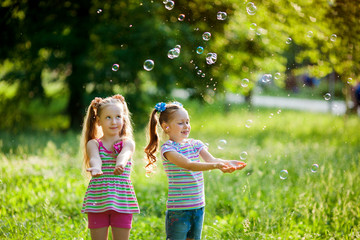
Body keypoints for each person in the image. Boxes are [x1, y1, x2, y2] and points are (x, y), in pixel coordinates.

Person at [144, 101, 246, 240]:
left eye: (187, 122)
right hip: (179, 210)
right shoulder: (168, 149)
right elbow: (189, 164)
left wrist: (228, 162)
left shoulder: (195, 144)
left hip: (198, 206)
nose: (186, 126)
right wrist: (217, 166)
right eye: (180, 123)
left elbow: (211, 159)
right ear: (166, 127)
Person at [81, 94, 140, 240]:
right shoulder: (93, 144)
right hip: (98, 199)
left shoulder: (128, 142)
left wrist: (120, 164)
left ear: (124, 118)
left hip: (122, 199)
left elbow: (125, 154)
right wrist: (96, 168)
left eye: (118, 117)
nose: (114, 122)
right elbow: (95, 158)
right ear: (99, 121)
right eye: (108, 117)